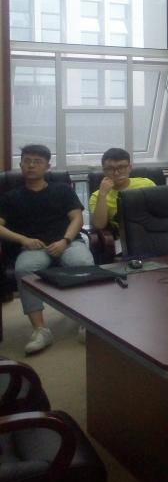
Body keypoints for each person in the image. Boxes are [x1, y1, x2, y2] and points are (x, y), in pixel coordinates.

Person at [0, 144, 95, 355]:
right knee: (24, 269)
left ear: (47, 166)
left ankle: (85, 322)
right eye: (27, 161)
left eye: (37, 161)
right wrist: (23, 239)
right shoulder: (10, 197)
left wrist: (65, 240)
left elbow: (77, 218)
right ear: (20, 165)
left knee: (82, 263)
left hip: (67, 242)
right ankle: (40, 330)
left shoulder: (62, 190)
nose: (31, 165)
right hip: (34, 247)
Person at [88, 147, 157, 232]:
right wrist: (102, 194)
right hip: (123, 236)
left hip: (151, 230)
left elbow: (160, 212)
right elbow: (99, 225)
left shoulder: (147, 184)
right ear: (104, 171)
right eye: (110, 169)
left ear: (130, 168)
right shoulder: (97, 196)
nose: (116, 173)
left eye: (121, 167)